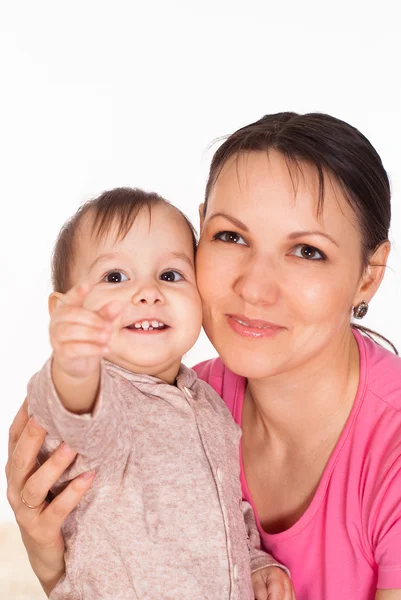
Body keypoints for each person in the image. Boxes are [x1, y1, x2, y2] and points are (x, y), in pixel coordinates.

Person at [6, 112, 401, 600]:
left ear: (369, 274)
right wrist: (51, 556)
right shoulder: (185, 398)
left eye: (307, 251)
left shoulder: (390, 452)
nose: (253, 288)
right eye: (231, 237)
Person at [17, 187, 293, 600]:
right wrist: (74, 360)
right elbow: (68, 410)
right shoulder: (100, 393)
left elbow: (225, 509)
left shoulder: (208, 403)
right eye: (115, 277)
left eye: (170, 275)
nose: (148, 292)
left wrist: (254, 564)